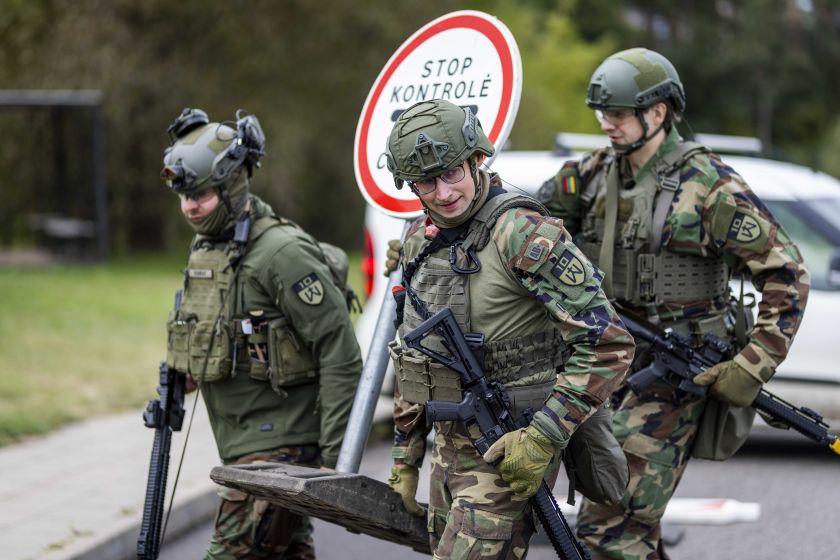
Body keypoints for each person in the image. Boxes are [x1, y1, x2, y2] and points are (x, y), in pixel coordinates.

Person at [538, 48, 810, 559]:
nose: (607, 125)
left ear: (657, 113)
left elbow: (787, 275)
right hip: (600, 366)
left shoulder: (709, 186)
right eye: (603, 114)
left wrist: (751, 366)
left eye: (617, 115)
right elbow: (521, 224)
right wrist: (435, 232)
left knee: (613, 528)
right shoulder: (592, 177)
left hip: (670, 378)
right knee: (625, 522)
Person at [384, 98, 635, 559]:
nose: (442, 193)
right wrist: (405, 460)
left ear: (477, 158)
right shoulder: (420, 241)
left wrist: (543, 437)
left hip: (512, 445)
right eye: (425, 182)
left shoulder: (522, 232)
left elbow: (607, 342)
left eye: (452, 173)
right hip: (447, 453)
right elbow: (414, 359)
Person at [160, 107, 362, 560]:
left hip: (281, 452)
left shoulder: (280, 253)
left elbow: (340, 350)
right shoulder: (211, 246)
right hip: (243, 445)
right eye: (184, 196)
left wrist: (334, 461)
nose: (191, 206)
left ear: (233, 186)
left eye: (203, 194)